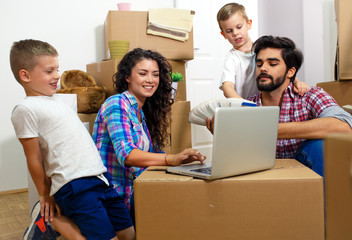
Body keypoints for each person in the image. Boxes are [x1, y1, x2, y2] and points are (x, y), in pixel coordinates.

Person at [10, 39, 135, 240]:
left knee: (128, 234)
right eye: (49, 71)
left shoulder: (59, 100)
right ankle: (50, 221)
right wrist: (44, 195)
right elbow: (33, 157)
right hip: (74, 184)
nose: (57, 76)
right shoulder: (25, 109)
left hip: (100, 176)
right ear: (25, 75)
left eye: (57, 69)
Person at [207, 35, 352, 176]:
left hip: (306, 178)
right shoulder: (246, 108)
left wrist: (268, 130)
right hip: (266, 182)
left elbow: (344, 127)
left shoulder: (309, 95)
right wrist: (225, 136)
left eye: (272, 64)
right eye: (259, 64)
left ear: (291, 72)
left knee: (319, 146)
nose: (263, 68)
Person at [92, 48, 206, 222]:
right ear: (127, 77)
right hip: (113, 198)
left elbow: (147, 155)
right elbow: (127, 155)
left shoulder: (139, 111)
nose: (150, 80)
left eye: (155, 74)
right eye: (143, 73)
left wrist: (182, 159)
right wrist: (170, 158)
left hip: (134, 194)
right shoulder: (116, 104)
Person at [217, 2, 309, 99]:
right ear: (224, 35)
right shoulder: (232, 58)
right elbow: (227, 86)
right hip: (243, 106)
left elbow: (285, 69)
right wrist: (242, 104)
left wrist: (298, 82)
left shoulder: (262, 50)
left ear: (249, 24)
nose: (235, 33)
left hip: (264, 103)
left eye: (239, 27)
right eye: (229, 31)